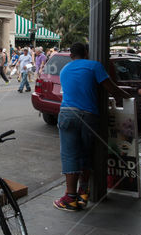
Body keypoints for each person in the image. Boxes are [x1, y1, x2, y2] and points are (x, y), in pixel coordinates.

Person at [53, 42, 130, 211]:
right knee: (87, 153)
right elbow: (111, 88)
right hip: (89, 116)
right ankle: (83, 191)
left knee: (70, 155)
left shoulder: (65, 70)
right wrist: (127, 96)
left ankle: (69, 198)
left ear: (71, 55)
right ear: (86, 53)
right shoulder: (94, 66)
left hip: (68, 114)